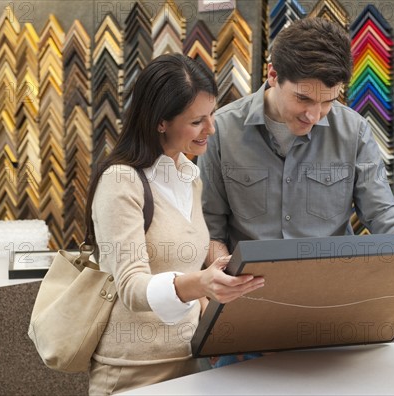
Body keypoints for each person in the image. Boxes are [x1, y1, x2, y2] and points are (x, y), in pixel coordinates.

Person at [198, 18, 394, 366]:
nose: (314, 115)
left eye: (328, 102)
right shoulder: (222, 131)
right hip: (249, 322)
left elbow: (383, 213)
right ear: (273, 75)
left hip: (333, 322)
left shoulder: (354, 132)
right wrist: (225, 294)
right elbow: (211, 228)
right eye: (303, 98)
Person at [86, 53, 264, 395]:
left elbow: (185, 263)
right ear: (160, 122)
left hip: (191, 363)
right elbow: (131, 286)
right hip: (134, 372)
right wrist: (202, 284)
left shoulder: (189, 175)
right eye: (198, 121)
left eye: (212, 115)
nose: (211, 128)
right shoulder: (121, 181)